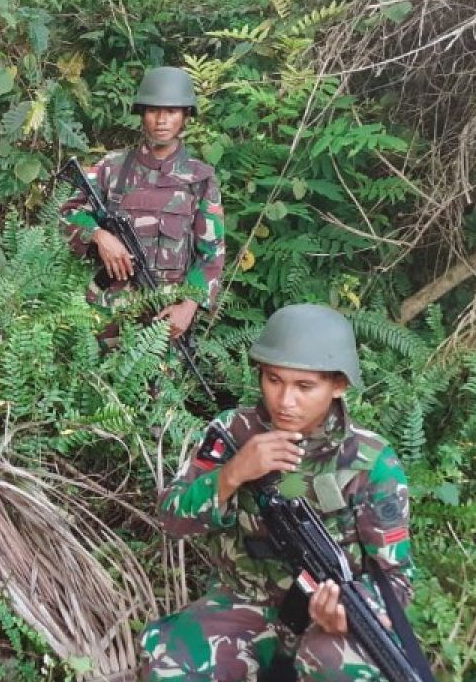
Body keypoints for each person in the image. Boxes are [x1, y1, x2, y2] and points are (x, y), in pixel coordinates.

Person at [139, 304, 416, 681]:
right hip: (244, 602)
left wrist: (348, 611)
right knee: (170, 663)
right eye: (273, 380)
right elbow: (170, 519)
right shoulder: (233, 432)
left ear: (338, 385)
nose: (285, 401)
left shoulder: (371, 461)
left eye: (305, 386)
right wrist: (231, 475)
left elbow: (395, 580)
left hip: (329, 623)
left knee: (343, 668)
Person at [60, 65, 224, 341]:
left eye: (171, 111)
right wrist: (99, 236)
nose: (161, 120)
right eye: (153, 111)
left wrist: (189, 307)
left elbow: (211, 254)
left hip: (166, 318)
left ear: (185, 117)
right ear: (142, 115)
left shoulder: (200, 180)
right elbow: (69, 214)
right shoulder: (111, 168)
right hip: (106, 313)